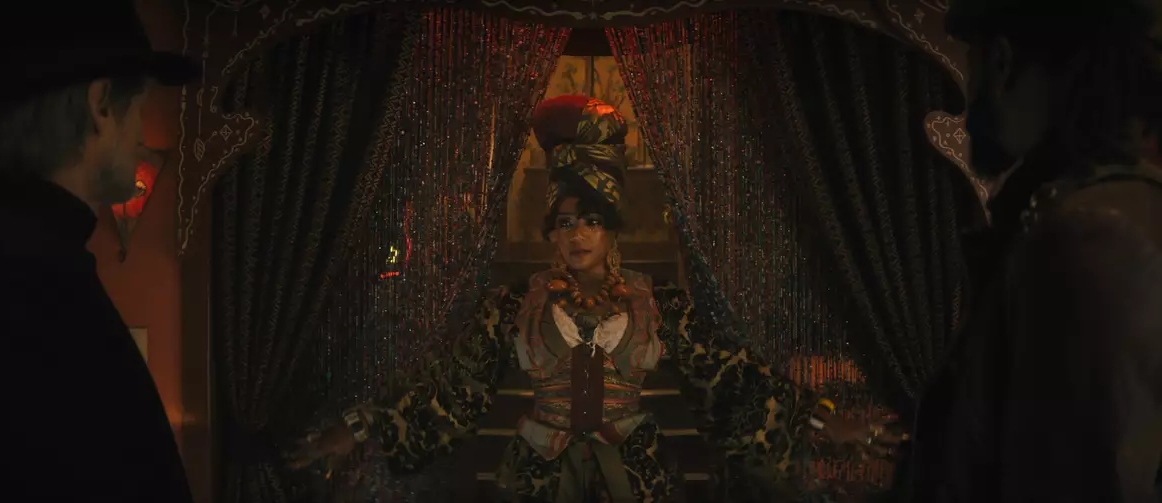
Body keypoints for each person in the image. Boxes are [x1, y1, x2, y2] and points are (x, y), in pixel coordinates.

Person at [289, 95, 901, 502]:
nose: (577, 234)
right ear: (551, 232)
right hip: (536, 481)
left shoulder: (659, 304)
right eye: (564, 222)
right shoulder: (513, 306)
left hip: (635, 478)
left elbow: (733, 381)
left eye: (591, 221)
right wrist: (361, 427)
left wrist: (824, 420)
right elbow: (450, 390)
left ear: (612, 231)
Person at [902, 1, 1162, 502]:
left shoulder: (1088, 238)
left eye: (973, 64)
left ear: (1001, 63)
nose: (968, 107)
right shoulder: (1090, 216)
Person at [0, 2, 200, 503]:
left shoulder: (6, 263)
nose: (141, 136)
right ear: (101, 105)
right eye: (139, 107)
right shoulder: (39, 294)